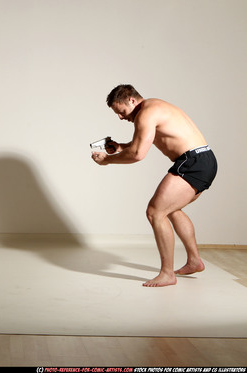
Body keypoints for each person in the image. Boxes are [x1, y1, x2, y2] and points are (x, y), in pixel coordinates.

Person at [91, 84, 217, 287]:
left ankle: (167, 274)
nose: (121, 118)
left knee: (155, 212)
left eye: (121, 112)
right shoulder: (154, 107)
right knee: (171, 210)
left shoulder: (146, 113)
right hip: (203, 159)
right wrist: (120, 147)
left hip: (193, 162)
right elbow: (140, 144)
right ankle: (194, 261)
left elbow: (138, 154)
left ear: (132, 100)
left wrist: (107, 160)